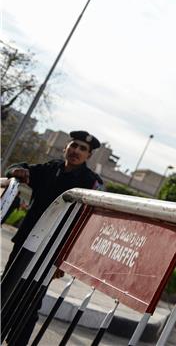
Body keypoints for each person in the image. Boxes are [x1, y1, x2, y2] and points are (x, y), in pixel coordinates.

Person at [1, 130, 104, 345]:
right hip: (24, 244)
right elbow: (18, 168)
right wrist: (17, 172)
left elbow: (86, 225)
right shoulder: (51, 168)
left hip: (50, 252)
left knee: (29, 302)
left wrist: (65, 261)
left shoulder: (90, 183)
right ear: (66, 146)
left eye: (82, 149)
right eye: (74, 145)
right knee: (5, 293)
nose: (76, 151)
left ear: (89, 156)